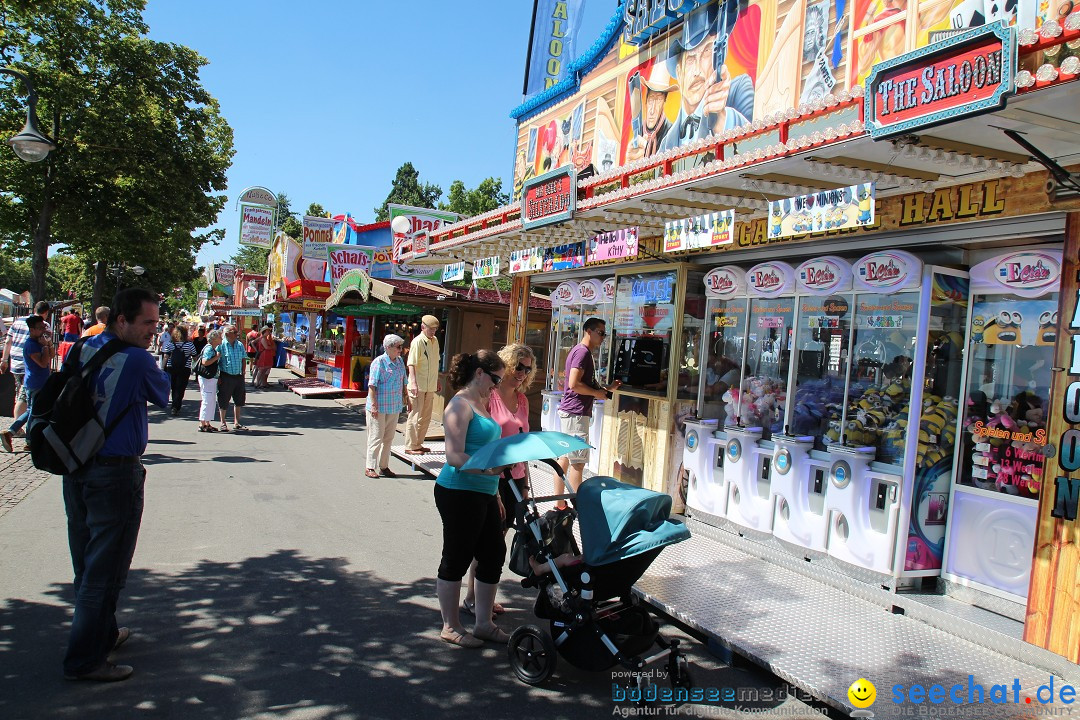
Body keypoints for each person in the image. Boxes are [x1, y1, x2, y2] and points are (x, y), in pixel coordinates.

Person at [61, 288, 170, 682]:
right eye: (148, 323)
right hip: (115, 472)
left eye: (156, 323)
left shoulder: (79, 348)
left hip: (75, 465)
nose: (153, 331)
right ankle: (85, 660)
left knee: (86, 562)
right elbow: (163, 394)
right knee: (105, 570)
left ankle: (102, 634)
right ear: (121, 320)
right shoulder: (139, 360)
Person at [434, 350, 509, 648]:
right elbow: (454, 456)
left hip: (485, 491)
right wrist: (492, 471)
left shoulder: (483, 401)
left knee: (493, 555)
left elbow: (487, 450)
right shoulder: (460, 404)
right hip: (458, 491)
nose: (497, 385)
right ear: (479, 372)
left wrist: (496, 491)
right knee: (457, 557)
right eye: (495, 378)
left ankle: (483, 624)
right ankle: (450, 626)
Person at [462, 343, 536, 618]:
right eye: (518, 366)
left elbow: (523, 444)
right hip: (492, 478)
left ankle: (482, 598)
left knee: (497, 541)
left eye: (528, 369)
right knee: (487, 543)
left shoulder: (523, 400)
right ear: (506, 365)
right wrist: (492, 488)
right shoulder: (488, 398)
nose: (522, 373)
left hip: (515, 478)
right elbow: (482, 442)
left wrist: (526, 482)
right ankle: (472, 597)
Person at [659, 2, 753, 153]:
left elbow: (756, 145)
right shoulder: (665, 142)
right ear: (679, 72)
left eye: (707, 52)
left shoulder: (739, 89)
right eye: (690, 59)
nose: (696, 70)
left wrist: (723, 120)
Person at [557, 318, 622, 501]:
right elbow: (574, 384)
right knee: (578, 463)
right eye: (600, 333)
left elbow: (584, 385)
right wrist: (597, 393)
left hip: (572, 412)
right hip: (576, 413)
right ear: (589, 331)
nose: (603, 337)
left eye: (604, 334)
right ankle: (577, 506)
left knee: (566, 459)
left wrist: (607, 389)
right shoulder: (582, 353)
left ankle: (560, 503)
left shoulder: (581, 351)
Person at [1, 316, 53, 452]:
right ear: (32, 330)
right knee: (33, 412)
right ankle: (27, 440)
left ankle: (11, 433)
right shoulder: (31, 344)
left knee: (31, 411)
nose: (43, 330)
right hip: (35, 383)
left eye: (44, 327)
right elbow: (43, 363)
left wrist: (48, 344)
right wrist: (45, 348)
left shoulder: (39, 342)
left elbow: (52, 356)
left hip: (39, 382)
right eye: (40, 328)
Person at [364, 334, 409, 479]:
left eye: (401, 347)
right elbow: (372, 386)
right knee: (376, 437)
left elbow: (404, 381)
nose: (400, 350)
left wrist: (407, 399)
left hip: (394, 406)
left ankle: (384, 466)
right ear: (388, 348)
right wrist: (374, 406)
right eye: (398, 347)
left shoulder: (400, 361)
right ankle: (370, 466)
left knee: (388, 438)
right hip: (380, 406)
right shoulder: (379, 362)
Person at [404, 315, 442, 455]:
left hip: (430, 385)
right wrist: (413, 382)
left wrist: (437, 379)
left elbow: (435, 362)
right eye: (431, 329)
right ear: (423, 327)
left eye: (435, 329)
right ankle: (410, 446)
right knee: (414, 416)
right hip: (418, 385)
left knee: (426, 416)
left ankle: (418, 444)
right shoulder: (417, 341)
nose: (433, 332)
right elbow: (411, 363)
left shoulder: (435, 341)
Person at [216, 325, 249, 432]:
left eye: (236, 332)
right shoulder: (221, 346)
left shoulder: (239, 345)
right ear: (227, 334)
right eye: (234, 332)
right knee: (224, 399)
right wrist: (218, 376)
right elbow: (216, 362)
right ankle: (223, 422)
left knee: (239, 400)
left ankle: (237, 422)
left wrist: (243, 372)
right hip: (226, 376)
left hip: (238, 376)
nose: (236, 334)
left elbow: (244, 359)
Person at [162, 326, 196, 417]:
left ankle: (174, 404)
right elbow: (195, 356)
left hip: (171, 367)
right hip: (185, 368)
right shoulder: (189, 345)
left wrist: (162, 368)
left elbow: (166, 357)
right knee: (181, 387)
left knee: (173, 386)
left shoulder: (170, 344)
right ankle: (176, 405)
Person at [197, 329, 222, 433]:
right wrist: (217, 357)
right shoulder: (209, 349)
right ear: (214, 339)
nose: (221, 338)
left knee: (211, 400)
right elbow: (205, 362)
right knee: (207, 400)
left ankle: (207, 422)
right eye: (220, 337)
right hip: (207, 378)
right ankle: (202, 423)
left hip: (211, 378)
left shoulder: (212, 348)